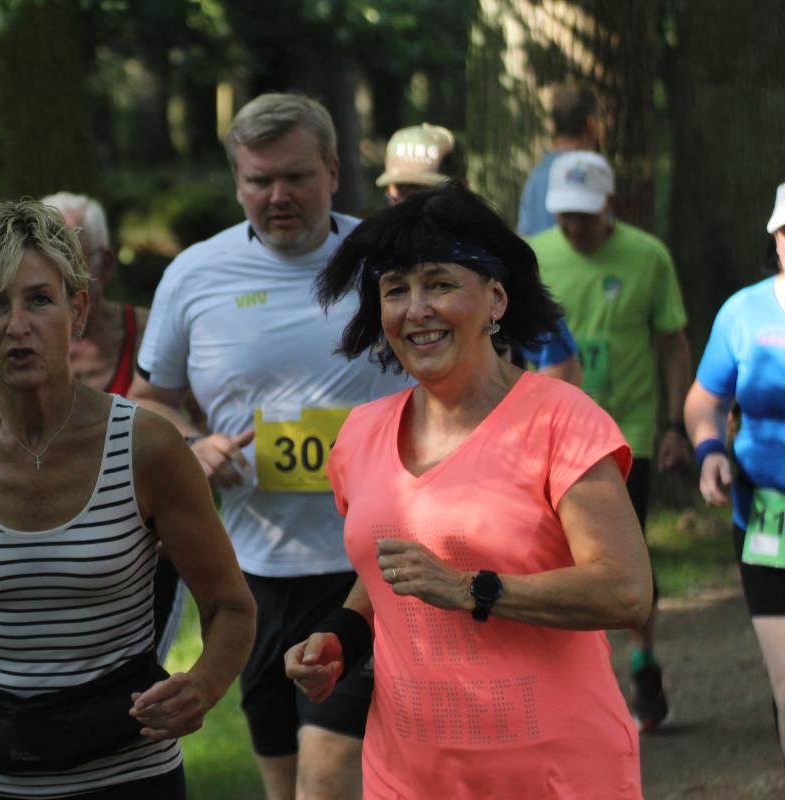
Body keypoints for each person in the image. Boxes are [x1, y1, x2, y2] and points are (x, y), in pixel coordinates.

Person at [0, 200, 255, 800]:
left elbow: (230, 605)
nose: (17, 325)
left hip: (129, 772)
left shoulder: (147, 447)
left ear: (78, 310)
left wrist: (204, 684)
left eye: (39, 300)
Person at [286, 184, 653, 798]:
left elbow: (625, 591)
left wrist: (470, 589)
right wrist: (341, 636)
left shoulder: (560, 420)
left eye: (439, 284)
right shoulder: (359, 436)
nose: (416, 309)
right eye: (395, 290)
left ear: (495, 299)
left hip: (556, 776)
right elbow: (390, 569)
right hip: (408, 776)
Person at [129, 93, 411, 800]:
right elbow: (149, 399)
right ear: (237, 181)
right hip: (249, 572)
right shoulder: (194, 274)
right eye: (260, 180)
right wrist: (193, 445)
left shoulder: (386, 262)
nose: (278, 196)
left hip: (366, 564)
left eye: (296, 176)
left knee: (326, 780)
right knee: (282, 785)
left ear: (333, 171)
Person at [529, 149, 692, 731]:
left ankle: (643, 659)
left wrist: (676, 425)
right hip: (546, 437)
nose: (573, 226)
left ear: (611, 205)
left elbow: (672, 344)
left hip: (627, 434)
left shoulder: (647, 256)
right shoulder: (531, 257)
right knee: (557, 558)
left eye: (584, 214)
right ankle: (581, 675)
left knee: (627, 553)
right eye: (564, 214)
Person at [40, 191, 186, 665]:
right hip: (41, 550)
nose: (51, 272)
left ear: (102, 264)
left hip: (144, 558)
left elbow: (195, 432)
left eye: (67, 254)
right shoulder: (20, 344)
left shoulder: (151, 336)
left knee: (131, 686)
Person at [684, 181, 785, 758]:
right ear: (775, 238)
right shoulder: (743, 313)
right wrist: (710, 451)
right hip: (767, 513)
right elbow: (706, 401)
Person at [377, 123, 582, 387]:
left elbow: (561, 366)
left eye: (425, 196)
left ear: (462, 191)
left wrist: (524, 413)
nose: (412, 210)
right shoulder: (372, 265)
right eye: (402, 195)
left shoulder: (497, 265)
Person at [517, 84, 599, 238]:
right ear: (591, 123)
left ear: (554, 125)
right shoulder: (591, 175)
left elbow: (525, 236)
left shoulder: (535, 178)